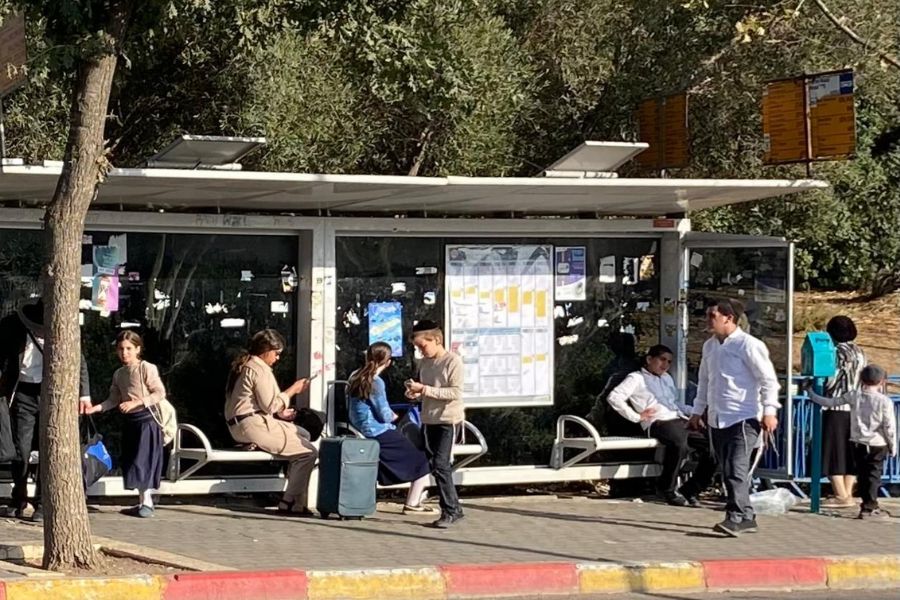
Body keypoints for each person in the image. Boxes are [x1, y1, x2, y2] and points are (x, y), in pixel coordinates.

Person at [688, 299, 780, 537]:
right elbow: (705, 380)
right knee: (726, 467)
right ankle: (747, 515)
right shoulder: (710, 346)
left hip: (744, 416)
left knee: (735, 469)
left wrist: (770, 411)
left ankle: (736, 516)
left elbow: (767, 380)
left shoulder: (748, 345)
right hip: (718, 417)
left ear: (728, 318)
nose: (708, 319)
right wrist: (698, 411)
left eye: (713, 315)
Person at [0, 298, 92, 523]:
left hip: (51, 391)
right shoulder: (13, 327)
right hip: (22, 391)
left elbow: (78, 360)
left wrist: (84, 393)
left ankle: (43, 502)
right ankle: (19, 497)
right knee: (21, 448)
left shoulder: (63, 329)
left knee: (48, 447)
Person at [607, 344, 716, 507]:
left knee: (713, 448)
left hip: (677, 418)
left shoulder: (666, 378)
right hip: (657, 422)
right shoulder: (636, 378)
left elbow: (674, 403)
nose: (665, 365)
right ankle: (668, 489)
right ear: (649, 359)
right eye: (662, 359)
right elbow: (614, 397)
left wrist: (696, 413)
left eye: (669, 362)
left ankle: (691, 489)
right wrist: (636, 417)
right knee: (679, 444)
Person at [224, 329, 316, 516]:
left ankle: (298, 501)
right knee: (308, 453)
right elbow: (271, 405)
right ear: (266, 350)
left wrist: (281, 415)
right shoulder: (258, 369)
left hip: (245, 423)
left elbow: (258, 404)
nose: (278, 358)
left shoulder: (245, 365)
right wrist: (294, 390)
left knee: (304, 435)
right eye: (276, 353)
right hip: (252, 425)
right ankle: (288, 501)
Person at [84, 331, 165, 518]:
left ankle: (147, 502)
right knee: (132, 461)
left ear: (138, 349)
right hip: (130, 423)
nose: (124, 353)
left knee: (142, 462)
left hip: (147, 421)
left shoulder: (146, 368)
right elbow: (113, 400)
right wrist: (95, 409)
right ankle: (142, 502)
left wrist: (136, 402)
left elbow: (159, 393)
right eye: (121, 349)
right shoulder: (119, 374)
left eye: (129, 348)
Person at [348, 342, 433, 514]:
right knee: (423, 457)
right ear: (388, 362)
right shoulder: (376, 382)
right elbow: (385, 415)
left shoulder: (354, 376)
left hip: (362, 429)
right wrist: (401, 416)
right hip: (378, 431)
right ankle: (413, 503)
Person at [805, 364, 896, 520]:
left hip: (858, 442)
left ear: (861, 379)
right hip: (877, 443)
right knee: (874, 475)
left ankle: (866, 505)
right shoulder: (884, 401)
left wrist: (811, 393)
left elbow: (830, 403)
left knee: (862, 474)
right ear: (882, 382)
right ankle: (870, 507)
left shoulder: (854, 395)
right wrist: (893, 446)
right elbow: (889, 426)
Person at [405, 320, 465, 528]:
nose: (421, 351)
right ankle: (453, 508)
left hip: (448, 420)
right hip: (428, 419)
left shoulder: (452, 361)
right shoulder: (424, 364)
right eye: (418, 348)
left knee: (441, 465)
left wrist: (425, 390)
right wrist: (416, 394)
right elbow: (427, 392)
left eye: (423, 346)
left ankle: (450, 509)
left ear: (437, 340)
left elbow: (454, 392)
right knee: (435, 465)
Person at [821, 315, 866, 508]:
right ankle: (848, 492)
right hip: (856, 407)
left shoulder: (836, 352)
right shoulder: (860, 352)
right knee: (850, 452)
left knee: (833, 451)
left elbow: (831, 379)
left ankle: (840, 495)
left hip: (836, 405)